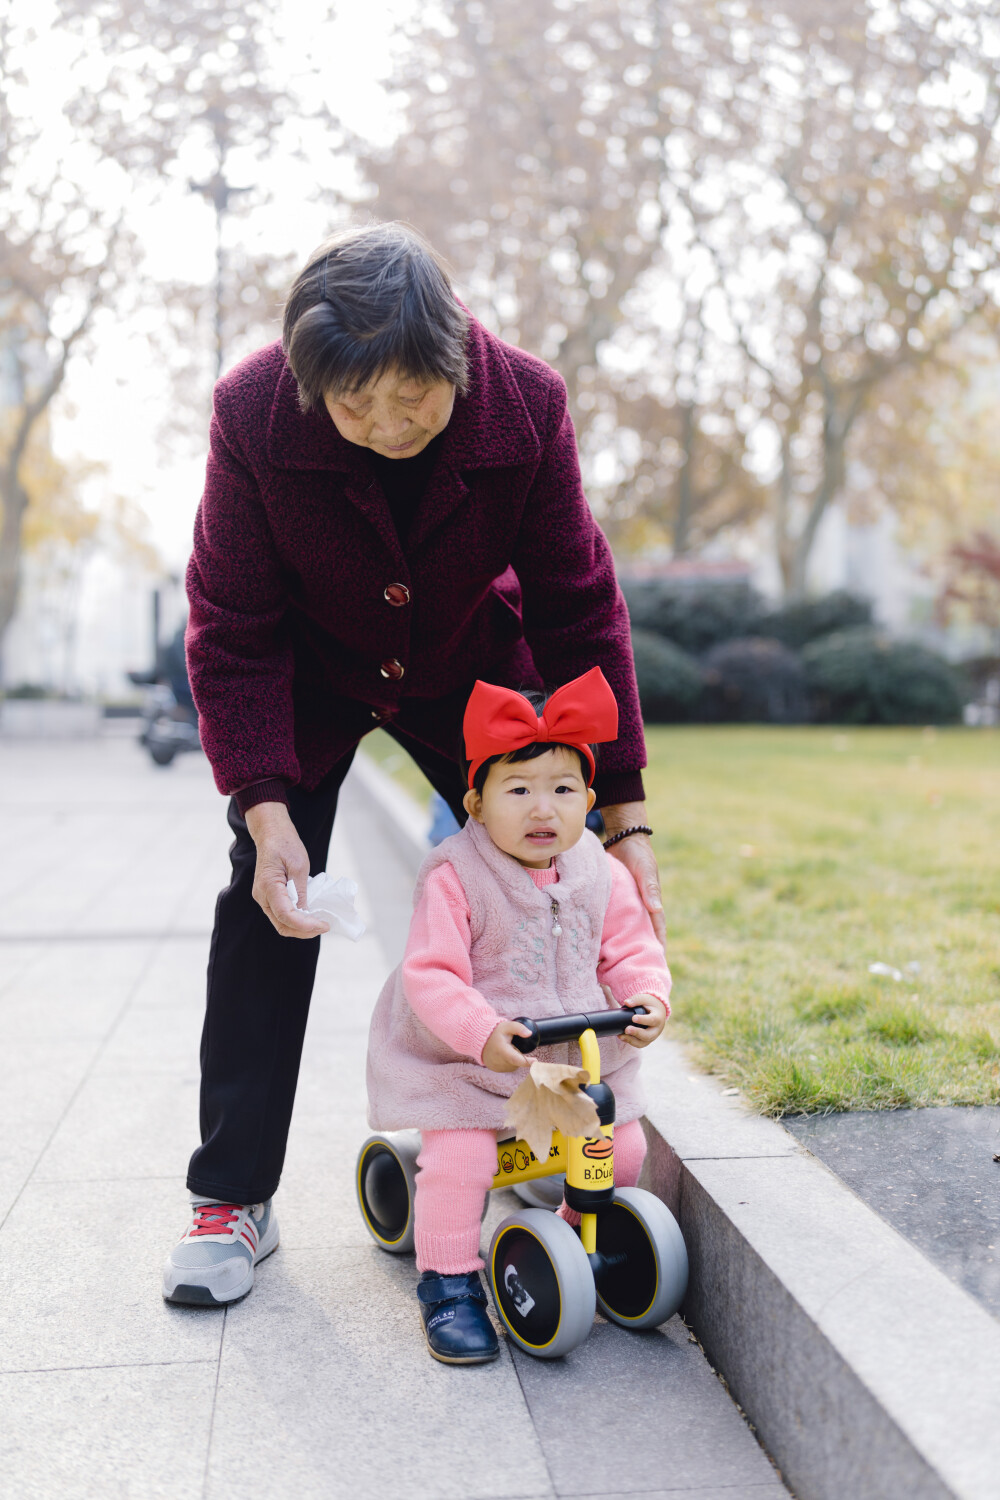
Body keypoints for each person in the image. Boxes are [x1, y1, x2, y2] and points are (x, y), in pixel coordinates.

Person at [162, 221, 665, 1307]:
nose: (386, 426)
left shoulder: (525, 403)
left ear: (456, 361)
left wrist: (621, 818)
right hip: (303, 673)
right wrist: (263, 804)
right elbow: (231, 622)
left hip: (467, 670)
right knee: (269, 907)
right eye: (355, 407)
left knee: (549, 889)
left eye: (411, 400)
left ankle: (551, 1128)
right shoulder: (252, 409)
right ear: (312, 387)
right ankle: (231, 1199)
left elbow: (580, 603)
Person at [366, 668, 671, 1363]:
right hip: (472, 1064)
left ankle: (565, 1235)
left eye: (563, 791)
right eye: (519, 790)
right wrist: (480, 1031)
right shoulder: (456, 876)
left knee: (622, 1149)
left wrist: (648, 996)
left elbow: (629, 947)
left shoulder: (600, 869)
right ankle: (448, 1279)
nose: (544, 811)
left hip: (576, 1061)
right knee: (463, 1157)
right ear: (475, 802)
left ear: (590, 801)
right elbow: (431, 975)